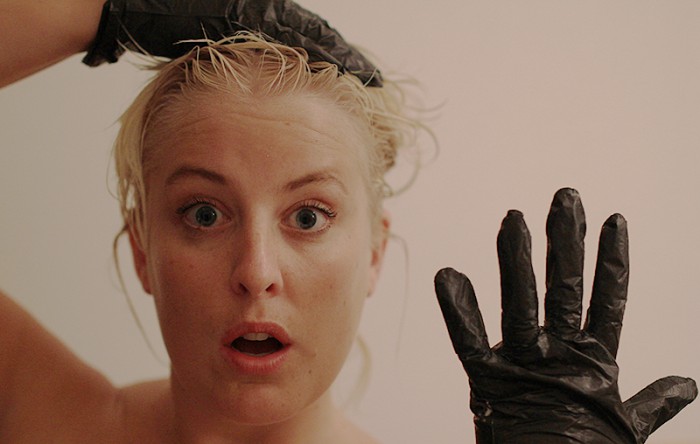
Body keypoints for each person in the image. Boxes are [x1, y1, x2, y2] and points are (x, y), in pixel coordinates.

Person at [0, 1, 696, 443]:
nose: (256, 272)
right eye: (204, 213)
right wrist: (103, 8)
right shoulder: (42, 421)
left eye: (308, 215)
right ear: (142, 250)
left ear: (373, 254)